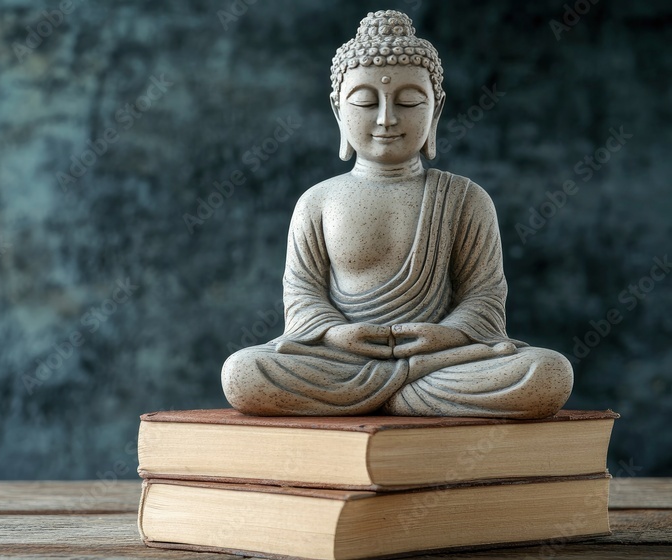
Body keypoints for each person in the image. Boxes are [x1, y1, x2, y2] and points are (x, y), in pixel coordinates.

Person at [221, 11, 573, 418]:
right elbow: (302, 293)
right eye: (366, 102)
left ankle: (379, 396)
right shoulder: (317, 201)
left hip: (439, 359)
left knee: (547, 373)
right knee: (244, 373)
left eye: (408, 102)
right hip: (345, 361)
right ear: (338, 110)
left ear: (435, 110)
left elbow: (485, 294)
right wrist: (335, 333)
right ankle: (410, 396)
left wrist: (447, 335)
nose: (386, 118)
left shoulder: (465, 198)